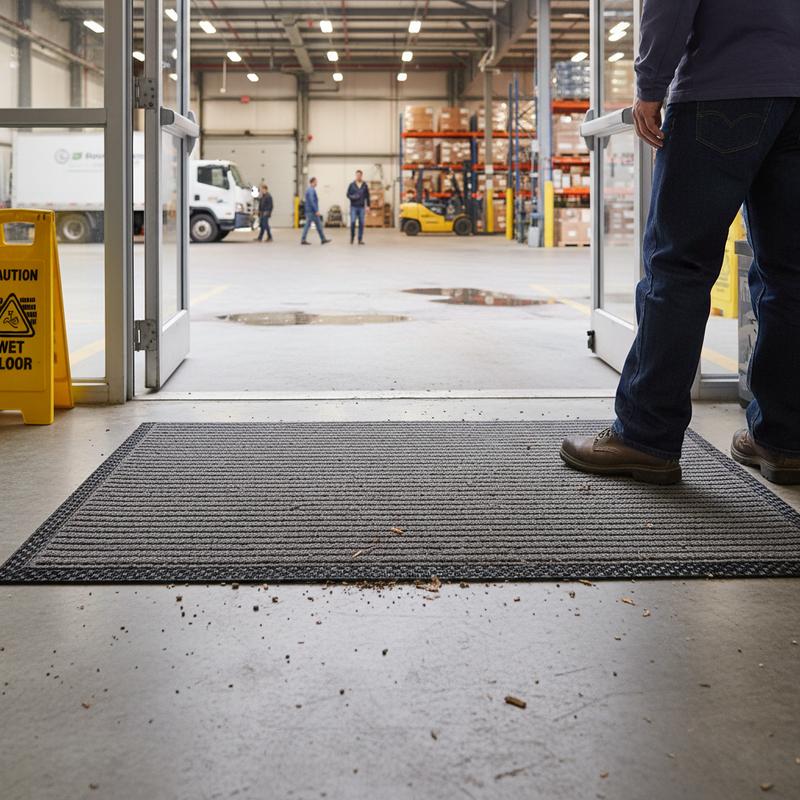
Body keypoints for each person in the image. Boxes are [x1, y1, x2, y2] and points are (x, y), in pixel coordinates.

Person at [560, 0, 800, 485]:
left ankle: (644, 435)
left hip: (721, 90)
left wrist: (650, 86)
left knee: (679, 267)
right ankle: (786, 440)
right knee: (791, 275)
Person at [301, 177, 331, 245]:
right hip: (312, 212)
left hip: (309, 210)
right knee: (311, 225)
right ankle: (303, 240)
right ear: (313, 182)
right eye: (316, 181)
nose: (317, 183)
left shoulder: (308, 189)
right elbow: (312, 201)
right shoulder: (312, 190)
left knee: (317, 225)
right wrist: (316, 210)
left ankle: (323, 239)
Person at [346, 170, 370, 244]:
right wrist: (353, 197)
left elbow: (367, 196)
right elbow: (348, 194)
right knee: (353, 222)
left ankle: (360, 239)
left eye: (360, 175)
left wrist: (368, 206)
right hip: (353, 206)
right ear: (356, 175)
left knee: (361, 223)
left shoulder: (364, 185)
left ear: (361, 175)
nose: (358, 176)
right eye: (357, 175)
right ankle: (352, 237)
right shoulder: (352, 185)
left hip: (361, 207)